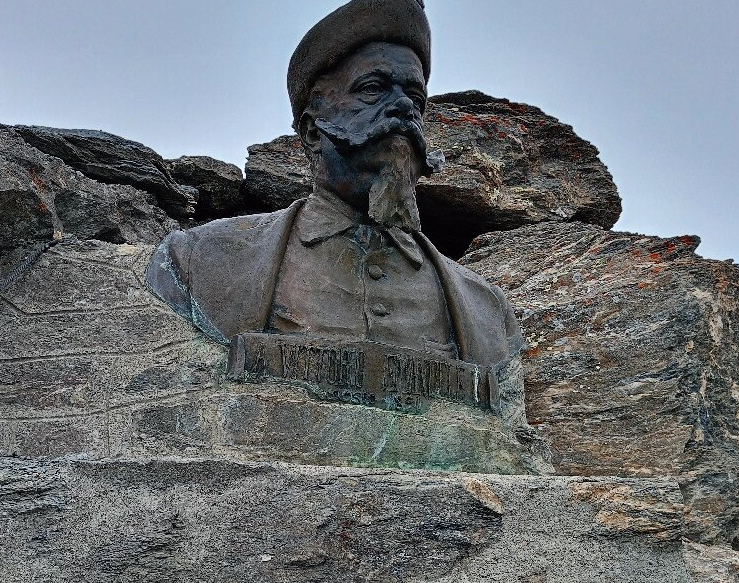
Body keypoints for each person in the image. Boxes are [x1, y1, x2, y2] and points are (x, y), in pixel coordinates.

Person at [147, 0, 522, 371]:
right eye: (373, 89)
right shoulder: (199, 261)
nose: (404, 108)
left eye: (416, 98)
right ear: (313, 131)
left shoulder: (487, 311)